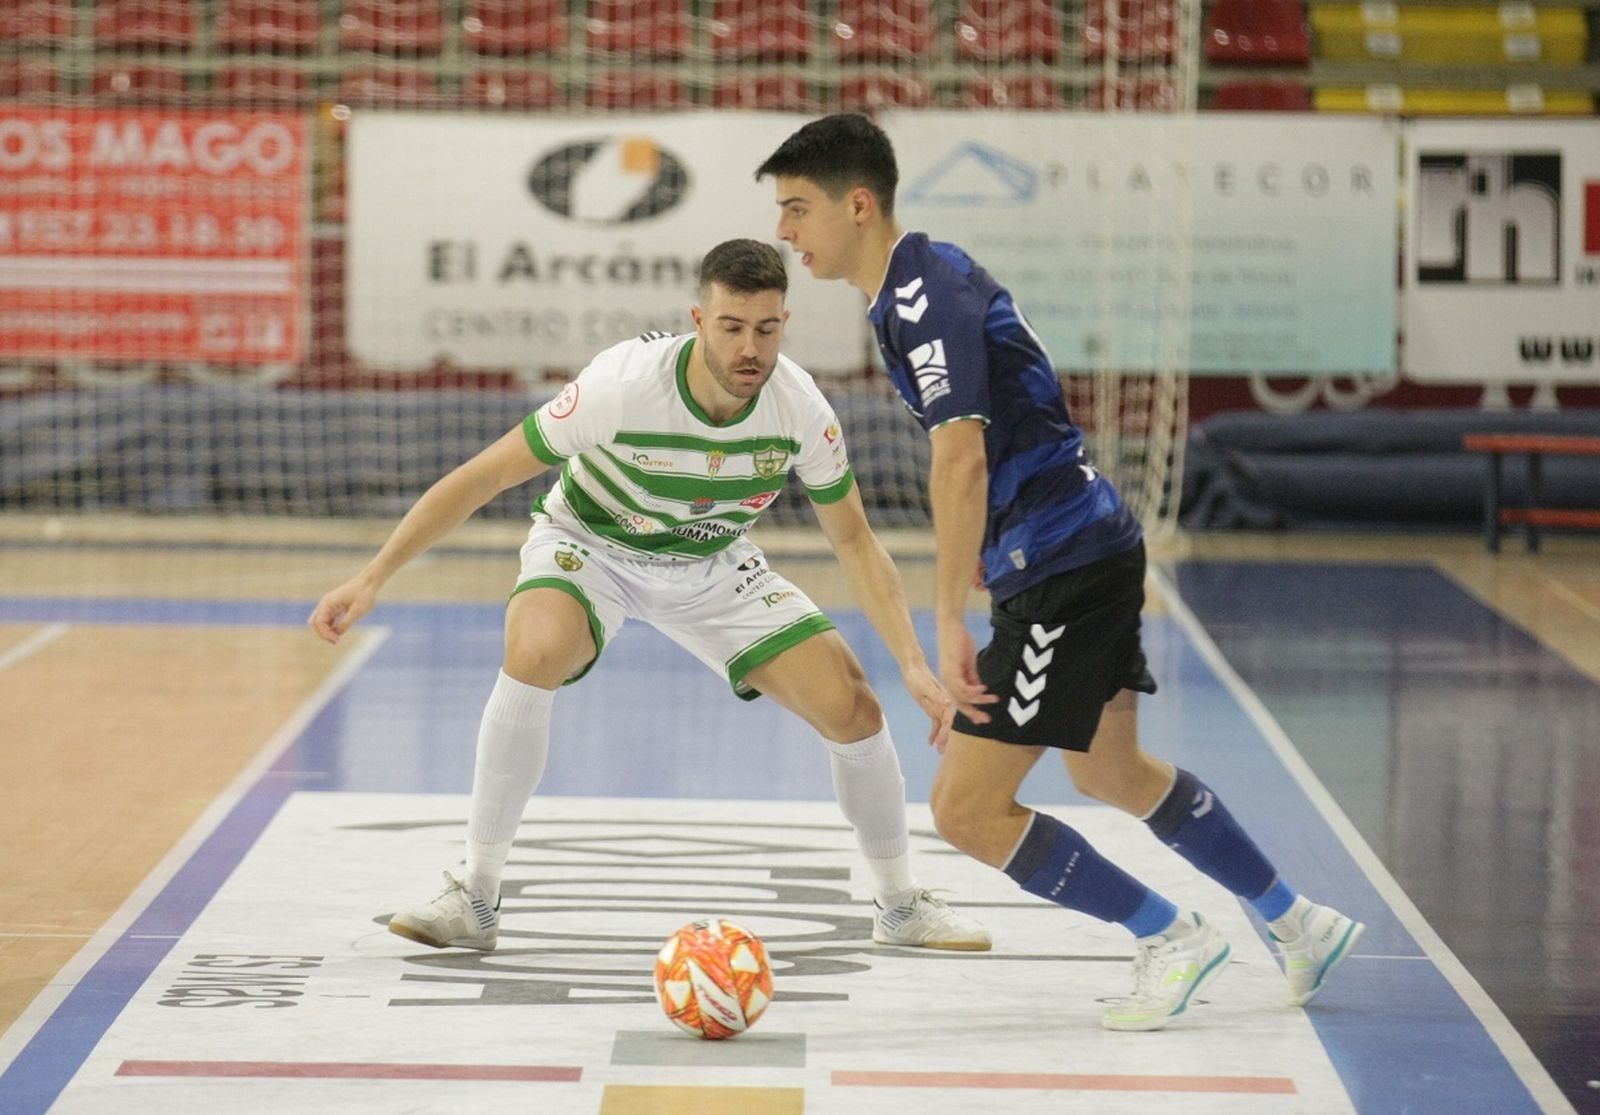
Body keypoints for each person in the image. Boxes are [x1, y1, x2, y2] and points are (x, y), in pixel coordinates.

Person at [757, 115, 1364, 1031]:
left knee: (966, 807)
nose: (785, 232)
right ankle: (1298, 920)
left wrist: (950, 622)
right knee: (1109, 767)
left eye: (797, 209)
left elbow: (959, 458)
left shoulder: (924, 294)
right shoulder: (911, 289)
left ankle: (1172, 937)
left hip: (1065, 562)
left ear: (858, 203)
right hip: (1078, 546)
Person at [308, 238, 990, 956]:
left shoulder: (799, 409)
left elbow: (854, 540)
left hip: (711, 559)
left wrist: (912, 663)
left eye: (766, 328)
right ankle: (476, 893)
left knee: (855, 706)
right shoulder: (623, 386)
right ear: (700, 318)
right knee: (534, 648)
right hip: (592, 546)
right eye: (731, 327)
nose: (748, 347)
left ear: (785, 322)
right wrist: (373, 575)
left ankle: (899, 905)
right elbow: (484, 476)